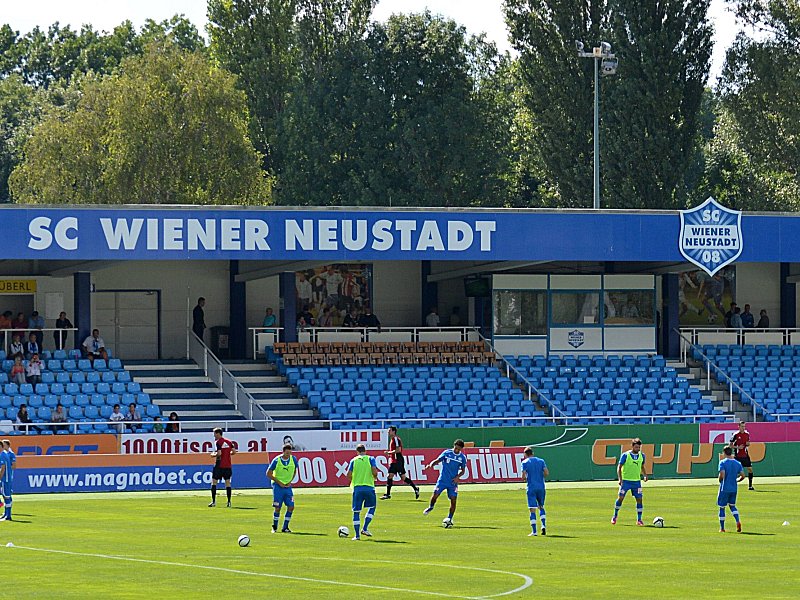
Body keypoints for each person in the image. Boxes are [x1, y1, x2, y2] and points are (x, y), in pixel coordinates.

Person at [422, 439, 467, 527]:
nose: (456, 450)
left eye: (458, 449)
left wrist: (458, 477)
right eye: (456, 448)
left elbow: (463, 471)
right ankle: (431, 507)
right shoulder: (447, 453)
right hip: (442, 480)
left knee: (453, 500)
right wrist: (430, 465)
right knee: (435, 495)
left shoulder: (462, 458)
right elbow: (437, 460)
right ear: (454, 446)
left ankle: (450, 518)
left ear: (461, 449)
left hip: (452, 483)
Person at [611, 438, 647, 526]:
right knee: (621, 498)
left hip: (636, 482)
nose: (638, 449)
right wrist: (620, 479)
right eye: (636, 447)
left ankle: (639, 519)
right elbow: (619, 467)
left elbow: (642, 466)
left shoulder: (642, 456)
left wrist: (645, 475)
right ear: (632, 447)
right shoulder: (625, 455)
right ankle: (615, 516)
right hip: (626, 481)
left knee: (639, 499)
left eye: (639, 447)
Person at [346, 443, 378, 540]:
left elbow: (348, 474)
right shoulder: (371, 459)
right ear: (365, 450)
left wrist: (352, 481)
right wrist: (375, 476)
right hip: (369, 487)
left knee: (356, 512)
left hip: (357, 488)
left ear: (357, 452)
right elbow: (374, 470)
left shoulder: (353, 460)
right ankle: (365, 528)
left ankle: (357, 535)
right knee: (372, 507)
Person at [267, 443, 299, 533]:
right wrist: (279, 482)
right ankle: (274, 527)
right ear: (283, 452)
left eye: (290, 453)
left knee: (291, 506)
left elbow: (295, 471)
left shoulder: (294, 459)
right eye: (287, 453)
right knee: (277, 507)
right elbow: (268, 473)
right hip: (277, 486)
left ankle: (285, 527)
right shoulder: (276, 460)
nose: (288, 455)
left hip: (288, 487)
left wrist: (290, 481)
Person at [381, 426, 420, 500]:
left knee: (397, 477)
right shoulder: (393, 439)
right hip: (395, 460)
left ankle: (388, 494)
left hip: (397, 460)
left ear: (393, 431)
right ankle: (415, 488)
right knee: (395, 476)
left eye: (389, 431)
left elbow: (398, 450)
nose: (388, 432)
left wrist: (388, 452)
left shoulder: (396, 439)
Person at [521, 446, 549, 536]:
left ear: (525, 454)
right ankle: (543, 525)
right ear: (532, 453)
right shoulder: (541, 461)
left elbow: (523, 476)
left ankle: (534, 531)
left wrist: (526, 478)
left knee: (532, 509)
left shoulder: (525, 462)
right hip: (541, 486)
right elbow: (546, 473)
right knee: (541, 506)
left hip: (531, 487)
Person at [718, 446, 745, 533]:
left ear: (724, 453)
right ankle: (737, 521)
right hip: (734, 488)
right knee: (732, 506)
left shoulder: (722, 462)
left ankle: (722, 528)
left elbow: (722, 474)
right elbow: (743, 476)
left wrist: (720, 480)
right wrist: (737, 480)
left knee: (722, 507)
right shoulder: (738, 463)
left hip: (724, 488)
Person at [209, 427, 237, 508]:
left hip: (219, 465)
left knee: (214, 482)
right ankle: (229, 502)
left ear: (218, 434)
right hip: (228, 465)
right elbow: (234, 452)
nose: (214, 435)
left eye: (215, 433)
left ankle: (213, 502)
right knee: (227, 483)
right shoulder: (229, 442)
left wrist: (213, 455)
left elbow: (219, 453)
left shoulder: (218, 442)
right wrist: (228, 454)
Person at [729, 421, 755, 490]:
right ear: (739, 427)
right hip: (738, 456)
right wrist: (738, 447)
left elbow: (748, 443)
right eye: (742, 426)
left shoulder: (747, 434)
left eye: (744, 426)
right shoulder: (736, 435)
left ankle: (750, 485)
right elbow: (730, 445)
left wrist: (748, 444)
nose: (743, 428)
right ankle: (731, 483)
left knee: (750, 469)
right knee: (735, 471)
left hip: (745, 455)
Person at [0, 439, 17, 521]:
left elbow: (3, 468)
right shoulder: (5, 454)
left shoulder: (3, 455)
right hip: (6, 477)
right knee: (5, 495)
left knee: (7, 496)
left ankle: (8, 515)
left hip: (5, 478)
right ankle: (6, 514)